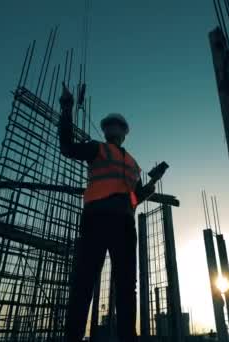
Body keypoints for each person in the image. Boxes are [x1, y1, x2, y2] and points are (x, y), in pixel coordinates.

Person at [59, 82, 155, 342]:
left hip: (119, 223)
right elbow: (67, 147)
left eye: (116, 127)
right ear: (114, 132)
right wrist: (66, 108)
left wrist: (147, 190)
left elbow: (132, 199)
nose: (114, 131)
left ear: (121, 133)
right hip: (101, 221)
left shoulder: (132, 163)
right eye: (112, 127)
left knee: (118, 286)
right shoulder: (96, 149)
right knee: (95, 284)